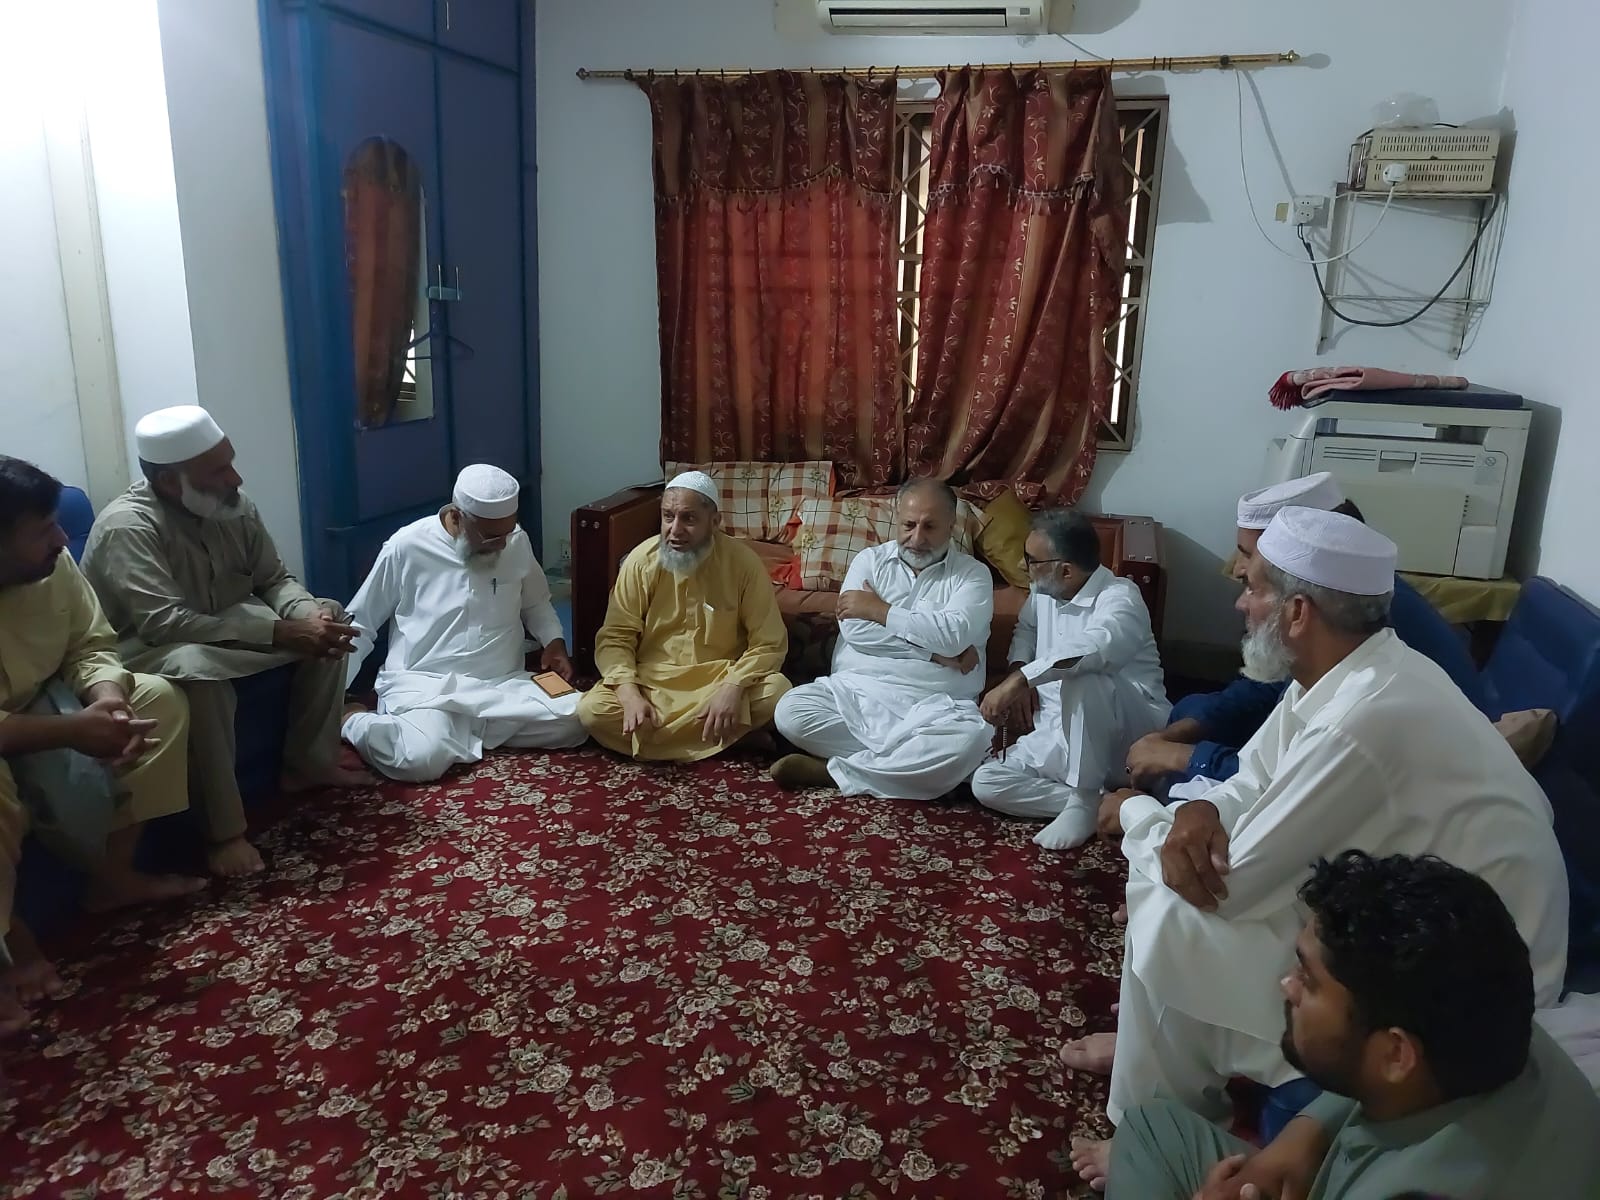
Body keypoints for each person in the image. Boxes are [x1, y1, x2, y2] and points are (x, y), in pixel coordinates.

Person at [1065, 507, 1569, 1189]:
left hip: (1478, 980)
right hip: (1414, 925)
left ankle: (1150, 1123)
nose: (1240, 603)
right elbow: (1250, 781)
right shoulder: (1349, 674)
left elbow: (1229, 886)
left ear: (1297, 612)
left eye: (1253, 588)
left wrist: (1137, 813)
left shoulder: (1364, 718)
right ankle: (1150, 1110)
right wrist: (1199, 809)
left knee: (1178, 910)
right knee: (1170, 900)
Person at [1102, 851, 1600, 1199]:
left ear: (1396, 1054)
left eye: (1308, 979)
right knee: (1151, 1127)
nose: (1287, 986)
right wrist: (1307, 1131)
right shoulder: (1492, 1021)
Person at [82, 406, 368, 878]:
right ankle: (224, 833)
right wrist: (279, 632)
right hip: (149, 646)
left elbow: (273, 579)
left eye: (230, 462)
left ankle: (309, 765)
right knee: (198, 671)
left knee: (330, 618)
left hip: (225, 630)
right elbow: (164, 622)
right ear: (169, 481)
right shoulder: (127, 527)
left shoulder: (233, 505)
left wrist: (306, 616)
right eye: (218, 470)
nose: (235, 478)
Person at [0, 457, 205, 1036]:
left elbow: (90, 643)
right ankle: (13, 942)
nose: (63, 539)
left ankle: (113, 878)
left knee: (159, 700)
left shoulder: (53, 563)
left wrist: (108, 702)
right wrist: (72, 732)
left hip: (48, 696)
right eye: (43, 530)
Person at [1125, 473, 1485, 793]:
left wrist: (1175, 766)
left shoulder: (1359, 640)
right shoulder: (1344, 608)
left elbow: (1289, 779)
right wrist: (1183, 737)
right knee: (1192, 713)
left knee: (1181, 782)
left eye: (1248, 556)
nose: (1237, 570)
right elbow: (1269, 695)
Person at [341, 464, 585, 781]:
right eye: (491, 536)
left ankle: (459, 733)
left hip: (501, 684)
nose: (501, 544)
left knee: (581, 719)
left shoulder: (515, 540)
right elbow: (361, 621)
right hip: (428, 688)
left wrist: (554, 642)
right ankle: (353, 721)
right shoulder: (407, 547)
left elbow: (536, 602)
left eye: (507, 532)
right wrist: (335, 692)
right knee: (420, 760)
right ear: (457, 517)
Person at [769, 479, 993, 799]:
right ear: (897, 519)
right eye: (909, 525)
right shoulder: (870, 561)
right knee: (791, 712)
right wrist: (933, 653)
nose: (917, 538)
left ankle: (835, 773)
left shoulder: (973, 575)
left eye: (930, 527)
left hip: (938, 706)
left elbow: (953, 637)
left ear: (951, 526)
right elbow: (856, 630)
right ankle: (913, 767)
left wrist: (879, 610)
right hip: (858, 692)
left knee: (971, 739)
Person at [969, 509, 1167, 850]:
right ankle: (1103, 805)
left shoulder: (1121, 597)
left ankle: (1085, 796)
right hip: (1056, 731)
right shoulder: (1045, 591)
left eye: (1031, 560)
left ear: (1065, 570)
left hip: (1126, 736)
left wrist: (1021, 681)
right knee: (987, 782)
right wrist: (1019, 666)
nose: (1023, 567)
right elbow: (1027, 629)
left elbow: (1095, 648)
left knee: (1083, 672)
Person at [578, 471, 791, 762]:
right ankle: (730, 737)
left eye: (688, 519)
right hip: (652, 683)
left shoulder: (743, 564)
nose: (675, 530)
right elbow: (615, 637)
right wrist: (629, 695)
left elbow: (769, 642)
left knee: (777, 692)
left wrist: (733, 687)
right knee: (592, 712)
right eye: (668, 517)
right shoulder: (641, 562)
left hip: (718, 683)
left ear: (714, 522)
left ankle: (666, 741)